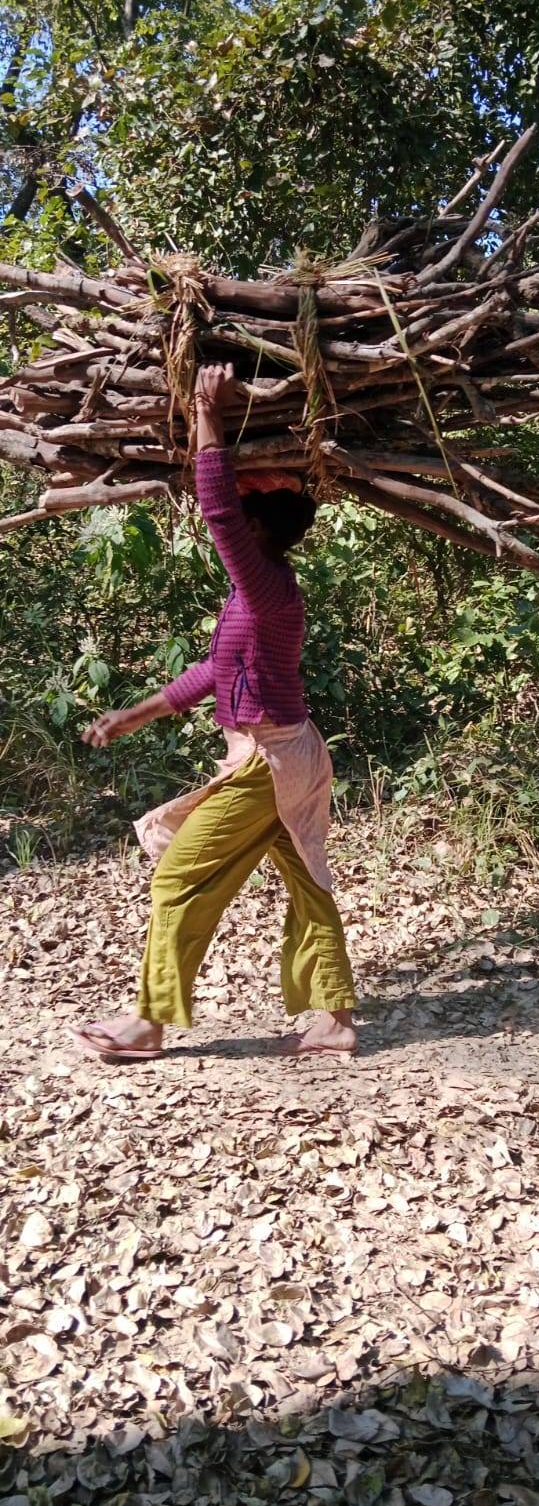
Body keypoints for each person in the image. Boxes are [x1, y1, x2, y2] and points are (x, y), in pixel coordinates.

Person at [73, 362, 357, 1062]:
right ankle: (336, 1021)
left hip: (271, 761)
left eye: (246, 501)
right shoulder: (257, 596)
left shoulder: (263, 583)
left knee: (178, 875)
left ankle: (147, 1021)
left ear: (256, 527)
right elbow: (213, 670)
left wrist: (207, 410)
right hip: (282, 754)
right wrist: (131, 714)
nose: (232, 507)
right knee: (308, 882)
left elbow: (216, 507)